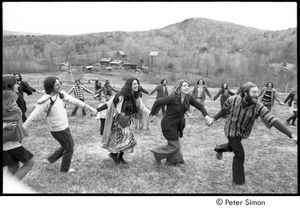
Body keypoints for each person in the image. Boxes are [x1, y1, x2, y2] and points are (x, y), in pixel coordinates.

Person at [207, 82, 297, 186]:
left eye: (258, 92)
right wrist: (213, 119)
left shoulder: (258, 106)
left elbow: (272, 120)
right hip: (230, 129)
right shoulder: (233, 100)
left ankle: (219, 149)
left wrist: (291, 135)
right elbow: (223, 110)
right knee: (239, 154)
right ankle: (238, 182)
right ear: (245, 93)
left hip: (242, 131)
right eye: (254, 92)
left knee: (232, 147)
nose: (257, 94)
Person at [23, 77, 97, 173]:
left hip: (64, 127)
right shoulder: (45, 101)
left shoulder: (61, 94)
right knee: (69, 149)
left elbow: (75, 101)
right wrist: (22, 130)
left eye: (60, 83)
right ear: (50, 87)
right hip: (58, 130)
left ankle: (49, 160)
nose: (60, 86)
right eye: (57, 85)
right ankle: (64, 169)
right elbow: (33, 117)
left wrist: (89, 108)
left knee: (68, 145)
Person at [148, 79, 214, 166]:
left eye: (188, 86)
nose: (187, 87)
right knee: (175, 145)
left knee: (174, 143)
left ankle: (172, 162)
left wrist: (207, 117)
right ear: (179, 88)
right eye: (184, 85)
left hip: (178, 125)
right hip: (168, 124)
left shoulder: (188, 97)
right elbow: (157, 102)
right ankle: (158, 154)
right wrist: (152, 115)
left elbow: (200, 106)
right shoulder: (173, 97)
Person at [96, 78, 150, 164]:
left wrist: (150, 114)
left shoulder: (136, 96)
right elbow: (109, 103)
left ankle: (120, 158)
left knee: (127, 141)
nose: (136, 86)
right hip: (119, 121)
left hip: (127, 121)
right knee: (122, 140)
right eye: (134, 84)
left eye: (137, 84)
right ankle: (114, 155)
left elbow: (142, 107)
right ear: (129, 85)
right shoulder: (121, 95)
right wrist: (97, 110)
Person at [3, 76, 35, 180]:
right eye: (16, 83)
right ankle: (10, 188)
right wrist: (5, 125)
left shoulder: (10, 98)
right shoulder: (5, 101)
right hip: (9, 142)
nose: (18, 85)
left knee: (13, 166)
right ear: (10, 86)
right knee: (30, 163)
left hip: (10, 141)